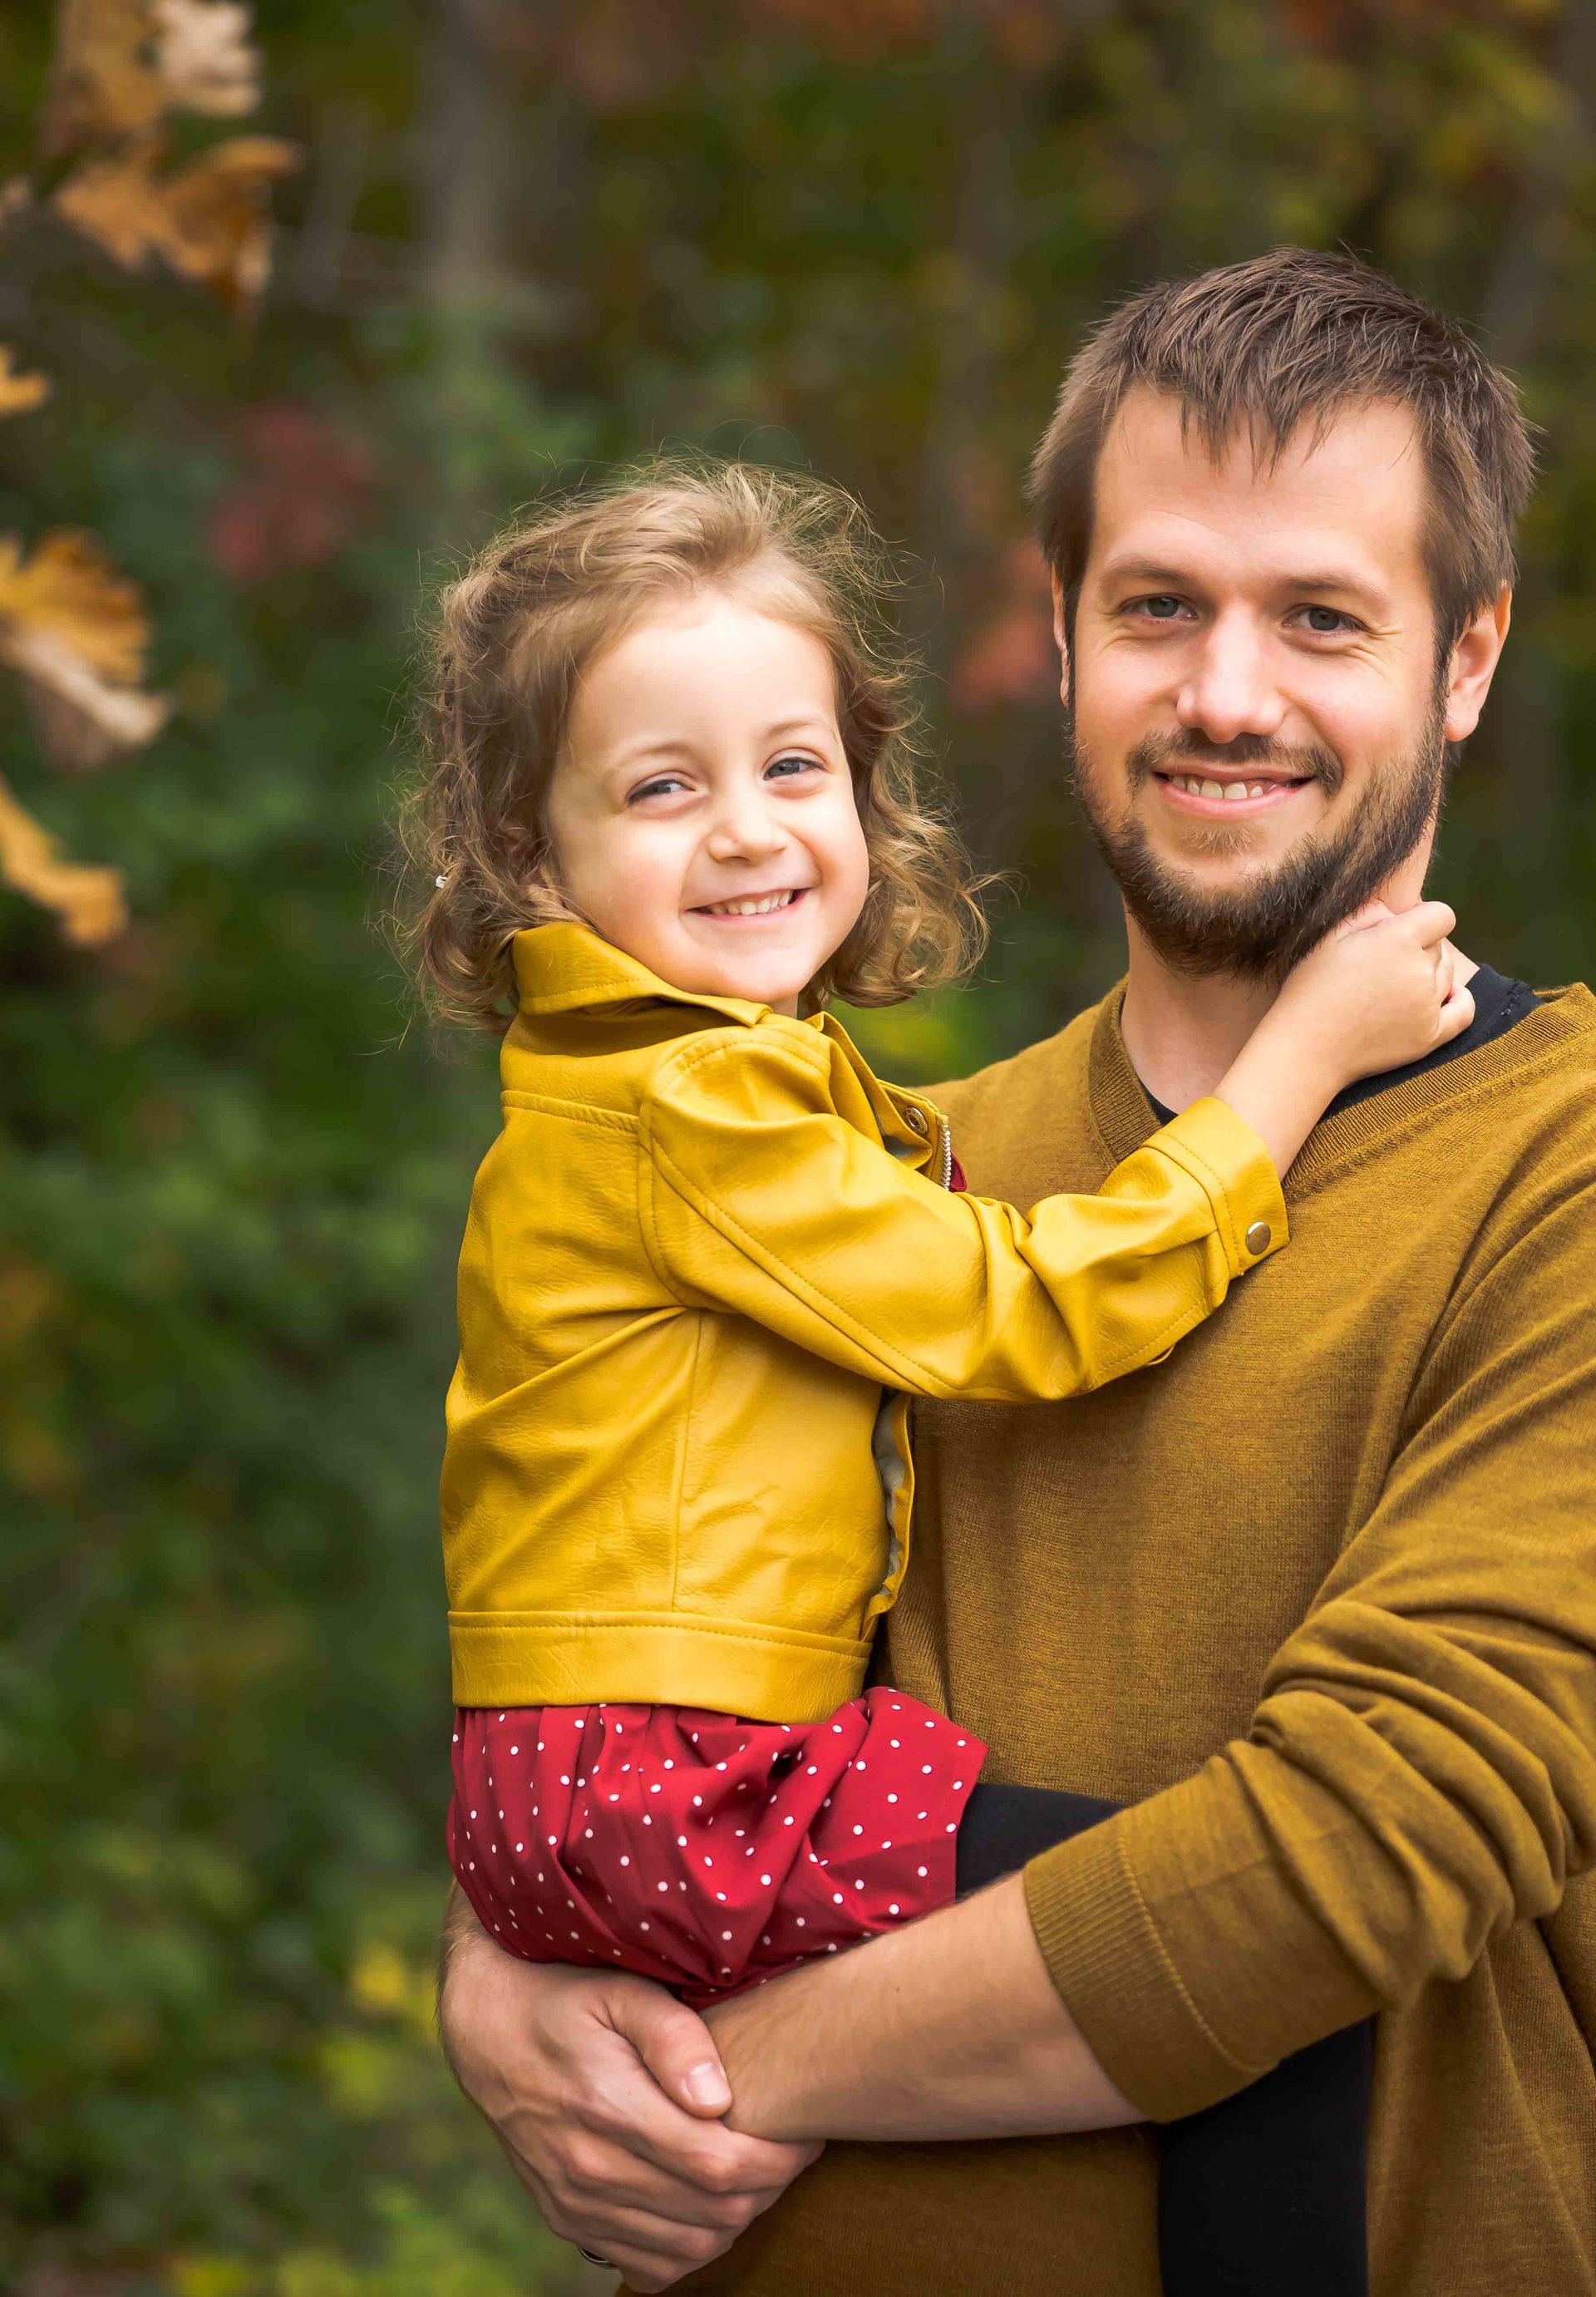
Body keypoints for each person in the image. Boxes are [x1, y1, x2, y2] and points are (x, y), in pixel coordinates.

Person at [436, 249, 1596, 2297]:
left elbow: (1354, 1845)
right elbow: (639, 1624)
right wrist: (508, 1982)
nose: (1226, 691)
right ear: (1059, 639)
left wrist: (704, 2080)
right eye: (1160, 606)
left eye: (1322, 617)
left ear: (1468, 658)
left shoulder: (1561, 1160)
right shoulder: (880, 1166)